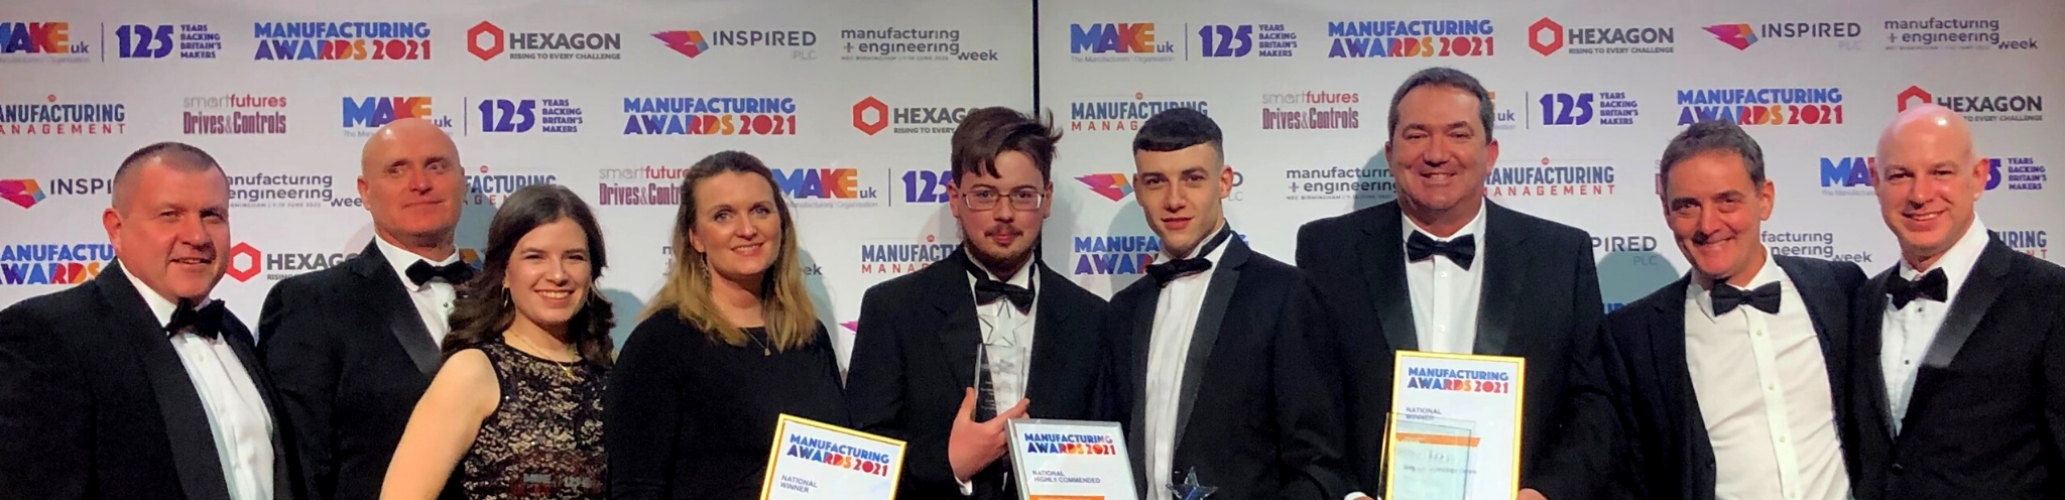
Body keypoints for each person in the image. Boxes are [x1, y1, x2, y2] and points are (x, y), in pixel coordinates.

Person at [1294, 66, 1616, 500]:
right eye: (1416, 135)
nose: (1436, 153)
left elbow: (1594, 403)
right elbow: (1305, 401)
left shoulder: (1559, 256)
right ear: (1391, 152)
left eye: (1458, 134)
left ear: (1490, 153)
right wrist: (1346, 495)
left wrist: (1544, 493)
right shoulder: (1328, 251)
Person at [0, 142, 297, 500]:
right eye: (170, 215)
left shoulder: (235, 334)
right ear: (116, 228)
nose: (197, 236)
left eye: (212, 215)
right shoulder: (48, 336)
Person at [847, 107, 1115, 500]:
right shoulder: (893, 310)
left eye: (1023, 195)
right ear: (956, 199)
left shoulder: (1092, 318)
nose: (1004, 214)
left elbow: (1104, 462)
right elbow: (862, 457)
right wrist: (950, 463)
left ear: (1046, 200)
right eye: (985, 195)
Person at [1604, 120, 1864, 500]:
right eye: (1688, 206)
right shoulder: (1634, 338)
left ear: (1765, 198)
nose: (1708, 225)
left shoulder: (1840, 289)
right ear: (1666, 211)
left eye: (1727, 200)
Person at [1106, 108, 1356, 499]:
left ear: (1224, 182)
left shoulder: (1285, 294)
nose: (1174, 199)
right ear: (1137, 189)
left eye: (1192, 178)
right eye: (1156, 181)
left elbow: (1318, 464)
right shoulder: (1124, 309)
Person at [1843, 104, 2065, 500]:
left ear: (1978, 177)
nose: (1920, 195)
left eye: (1941, 172)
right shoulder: (1862, 300)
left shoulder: (2050, 296)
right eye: (1900, 175)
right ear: (1875, 181)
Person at [606, 151, 847, 500]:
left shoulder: (810, 335)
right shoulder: (660, 343)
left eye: (760, 210)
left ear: (781, 223)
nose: (747, 230)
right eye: (723, 215)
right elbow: (636, 489)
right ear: (695, 237)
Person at [260, 118, 472, 500]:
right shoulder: (310, 302)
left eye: (436, 166)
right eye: (397, 170)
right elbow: (299, 467)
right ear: (365, 191)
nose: (420, 183)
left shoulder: (507, 298)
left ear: (463, 181)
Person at [380, 184, 613, 500]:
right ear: (504, 271)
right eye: (535, 257)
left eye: (574, 257)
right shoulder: (473, 371)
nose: (558, 275)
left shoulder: (607, 372)